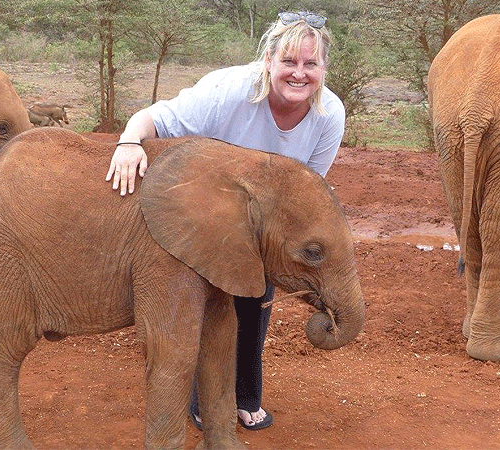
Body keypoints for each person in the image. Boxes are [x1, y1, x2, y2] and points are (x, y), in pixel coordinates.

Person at [106, 11, 345, 431]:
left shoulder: (329, 115)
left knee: (256, 295)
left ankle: (245, 394)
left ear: (323, 69)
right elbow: (156, 118)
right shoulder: (227, 92)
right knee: (205, 298)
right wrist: (128, 140)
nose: (299, 73)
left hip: (264, 213)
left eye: (310, 64)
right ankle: (204, 396)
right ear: (269, 59)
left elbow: (307, 189)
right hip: (205, 200)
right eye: (289, 62)